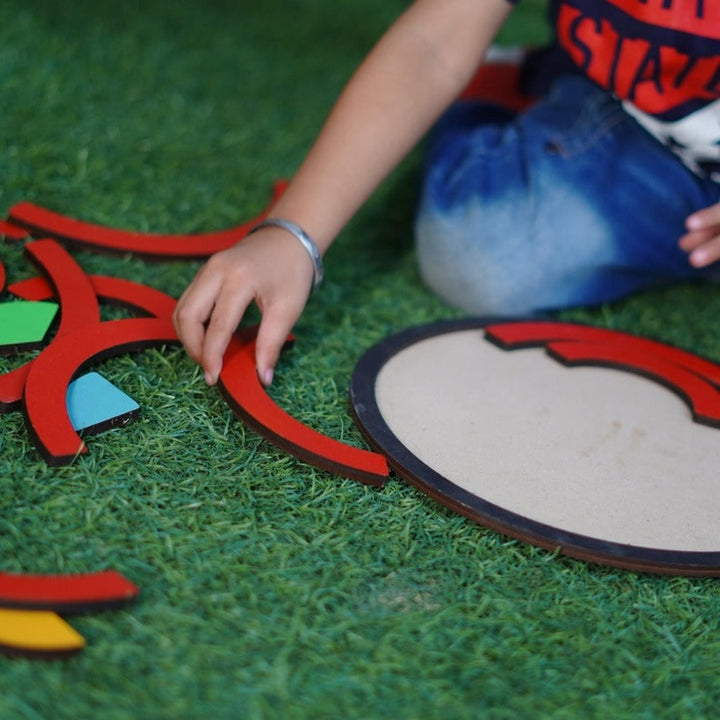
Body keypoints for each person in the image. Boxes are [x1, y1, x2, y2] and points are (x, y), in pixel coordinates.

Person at [173, 0, 720, 387]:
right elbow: (434, 42)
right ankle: (500, 89)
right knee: (481, 257)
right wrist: (293, 233)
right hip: (641, 129)